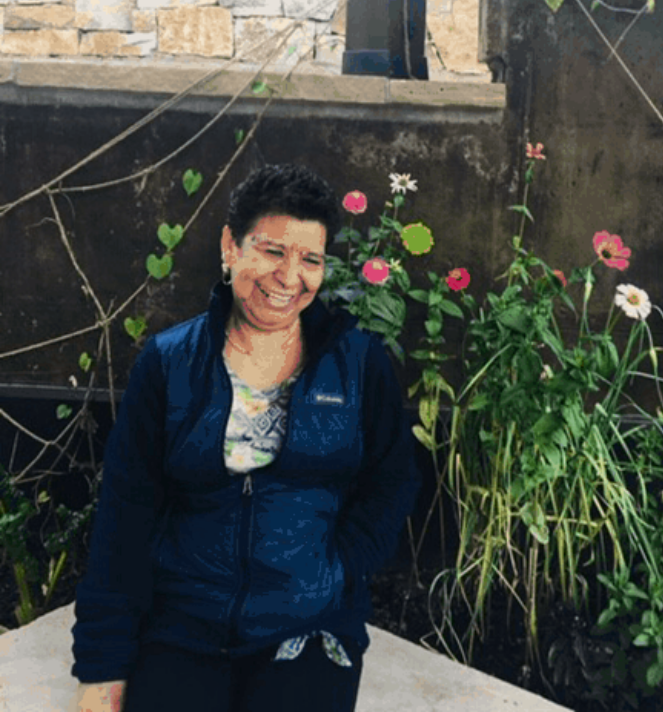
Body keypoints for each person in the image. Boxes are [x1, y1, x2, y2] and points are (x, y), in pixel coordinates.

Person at [70, 163, 422, 712]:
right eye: (272, 251)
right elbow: (125, 517)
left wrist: (336, 570)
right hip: (182, 625)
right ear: (230, 247)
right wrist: (101, 668)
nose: (290, 277)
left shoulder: (357, 364)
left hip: (307, 631)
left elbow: (394, 481)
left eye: (311, 259)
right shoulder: (169, 364)